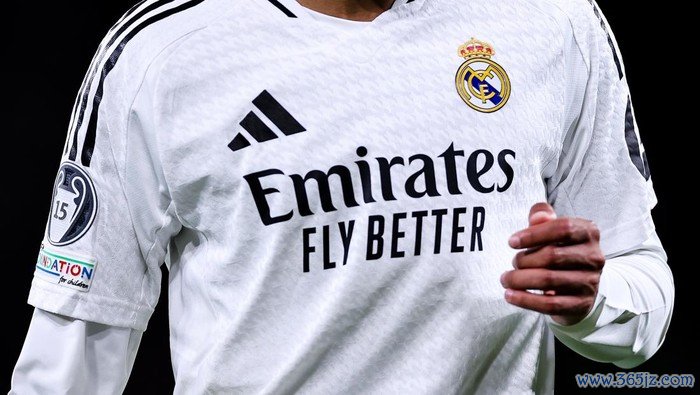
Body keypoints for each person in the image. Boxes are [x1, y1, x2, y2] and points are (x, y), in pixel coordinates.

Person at [11, 0, 674, 393]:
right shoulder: (163, 51)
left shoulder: (554, 20)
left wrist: (591, 300)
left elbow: (644, 299)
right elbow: (73, 353)